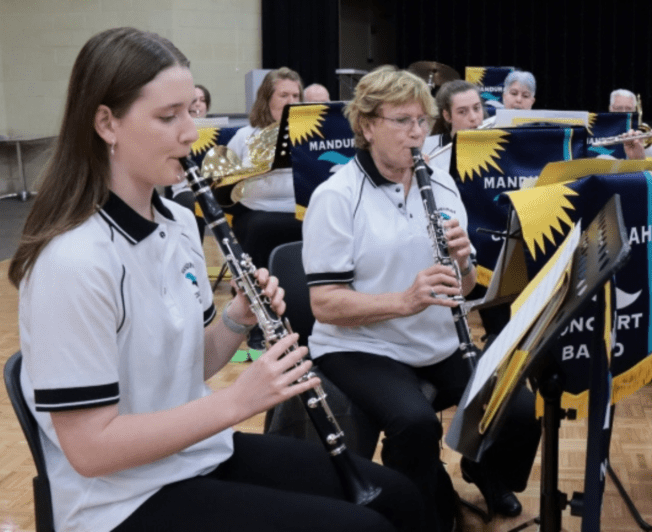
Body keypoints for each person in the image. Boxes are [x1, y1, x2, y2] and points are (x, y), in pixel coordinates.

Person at [7, 27, 423, 532]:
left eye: (192, 111)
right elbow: (91, 449)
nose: (191, 132)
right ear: (106, 123)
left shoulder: (179, 222)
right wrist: (237, 401)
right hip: (119, 501)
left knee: (399, 498)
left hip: (195, 455)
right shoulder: (71, 261)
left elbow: (189, 364)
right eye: (168, 116)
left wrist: (235, 318)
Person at [302, 65, 541, 532]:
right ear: (368, 126)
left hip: (434, 341)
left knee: (516, 408)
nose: (417, 134)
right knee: (414, 425)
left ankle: (483, 470)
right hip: (360, 345)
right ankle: (419, 511)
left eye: (423, 122)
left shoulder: (442, 184)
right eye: (403, 121)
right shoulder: (336, 196)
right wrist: (404, 301)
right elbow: (324, 304)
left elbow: (466, 286)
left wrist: (464, 264)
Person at [225, 68, 304, 274]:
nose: (291, 101)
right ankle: (254, 293)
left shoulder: (308, 138)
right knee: (261, 226)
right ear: (267, 99)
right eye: (284, 95)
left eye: (296, 96)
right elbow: (224, 184)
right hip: (255, 211)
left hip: (301, 212)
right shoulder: (245, 136)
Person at [425, 79, 485, 175]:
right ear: (447, 116)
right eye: (462, 112)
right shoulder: (427, 149)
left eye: (477, 108)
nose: (473, 117)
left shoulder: (498, 145)